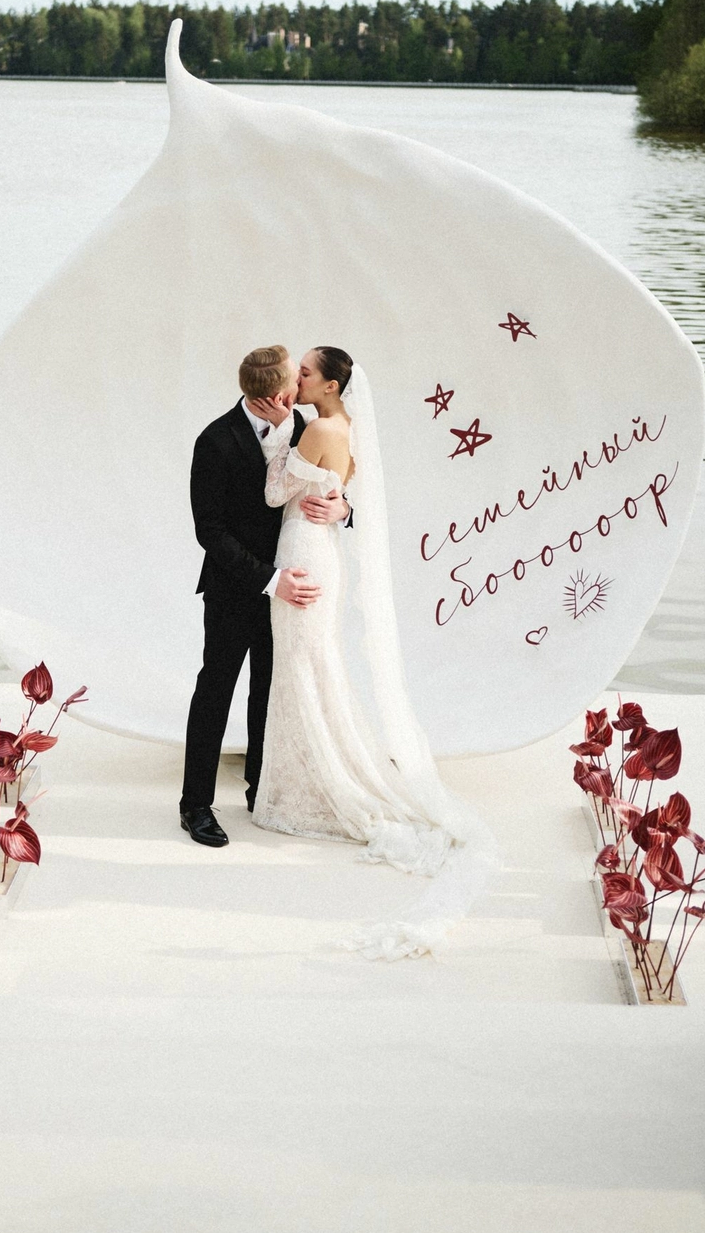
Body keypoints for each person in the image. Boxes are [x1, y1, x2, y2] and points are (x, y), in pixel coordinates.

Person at [251, 346, 498, 958]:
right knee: (312, 666)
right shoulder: (345, 426)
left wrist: (278, 432)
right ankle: (308, 774)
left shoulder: (318, 429)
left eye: (306, 373)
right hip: (322, 549)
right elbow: (343, 488)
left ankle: (317, 784)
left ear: (331, 385)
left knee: (303, 668)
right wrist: (341, 503)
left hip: (303, 550)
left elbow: (274, 494)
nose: (296, 378)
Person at [179, 345, 350, 848]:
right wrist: (270, 580)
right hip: (235, 589)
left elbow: (333, 479)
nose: (301, 384)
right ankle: (195, 805)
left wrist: (342, 508)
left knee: (270, 691)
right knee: (215, 691)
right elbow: (210, 531)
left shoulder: (306, 427)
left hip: (293, 588)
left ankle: (262, 789)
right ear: (278, 395)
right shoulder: (215, 440)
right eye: (296, 379)